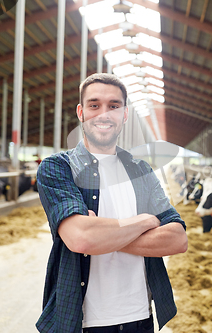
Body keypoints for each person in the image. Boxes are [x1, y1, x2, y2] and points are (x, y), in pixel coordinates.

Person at [36, 73, 188, 333]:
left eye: (114, 106)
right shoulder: (58, 167)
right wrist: (144, 221)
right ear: (81, 112)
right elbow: (81, 239)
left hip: (140, 318)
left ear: (125, 114)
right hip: (83, 322)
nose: (103, 114)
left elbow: (177, 239)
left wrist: (102, 236)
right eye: (94, 105)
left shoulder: (141, 169)